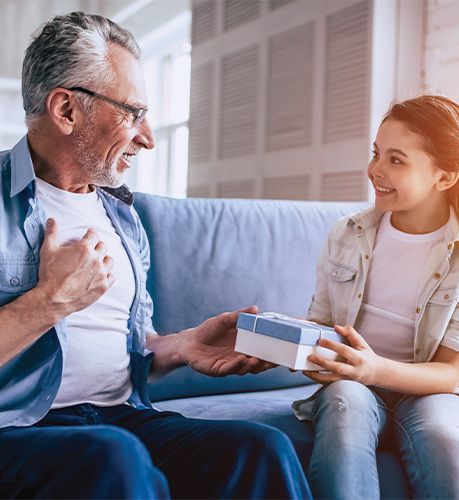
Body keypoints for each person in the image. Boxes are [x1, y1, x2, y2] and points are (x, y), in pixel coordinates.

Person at [0, 11, 312, 499]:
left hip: (119, 417)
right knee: (111, 457)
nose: (146, 137)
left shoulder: (123, 215)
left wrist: (183, 347)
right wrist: (50, 302)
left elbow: (130, 346)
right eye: (133, 113)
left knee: (260, 448)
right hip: (17, 428)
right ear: (65, 110)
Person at [293, 95, 459, 499]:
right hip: (353, 385)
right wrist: (303, 354)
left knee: (444, 435)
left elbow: (449, 373)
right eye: (376, 154)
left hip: (434, 390)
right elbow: (320, 329)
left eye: (396, 160)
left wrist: (371, 370)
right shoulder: (346, 234)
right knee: (344, 411)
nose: (376, 170)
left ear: (444, 176)